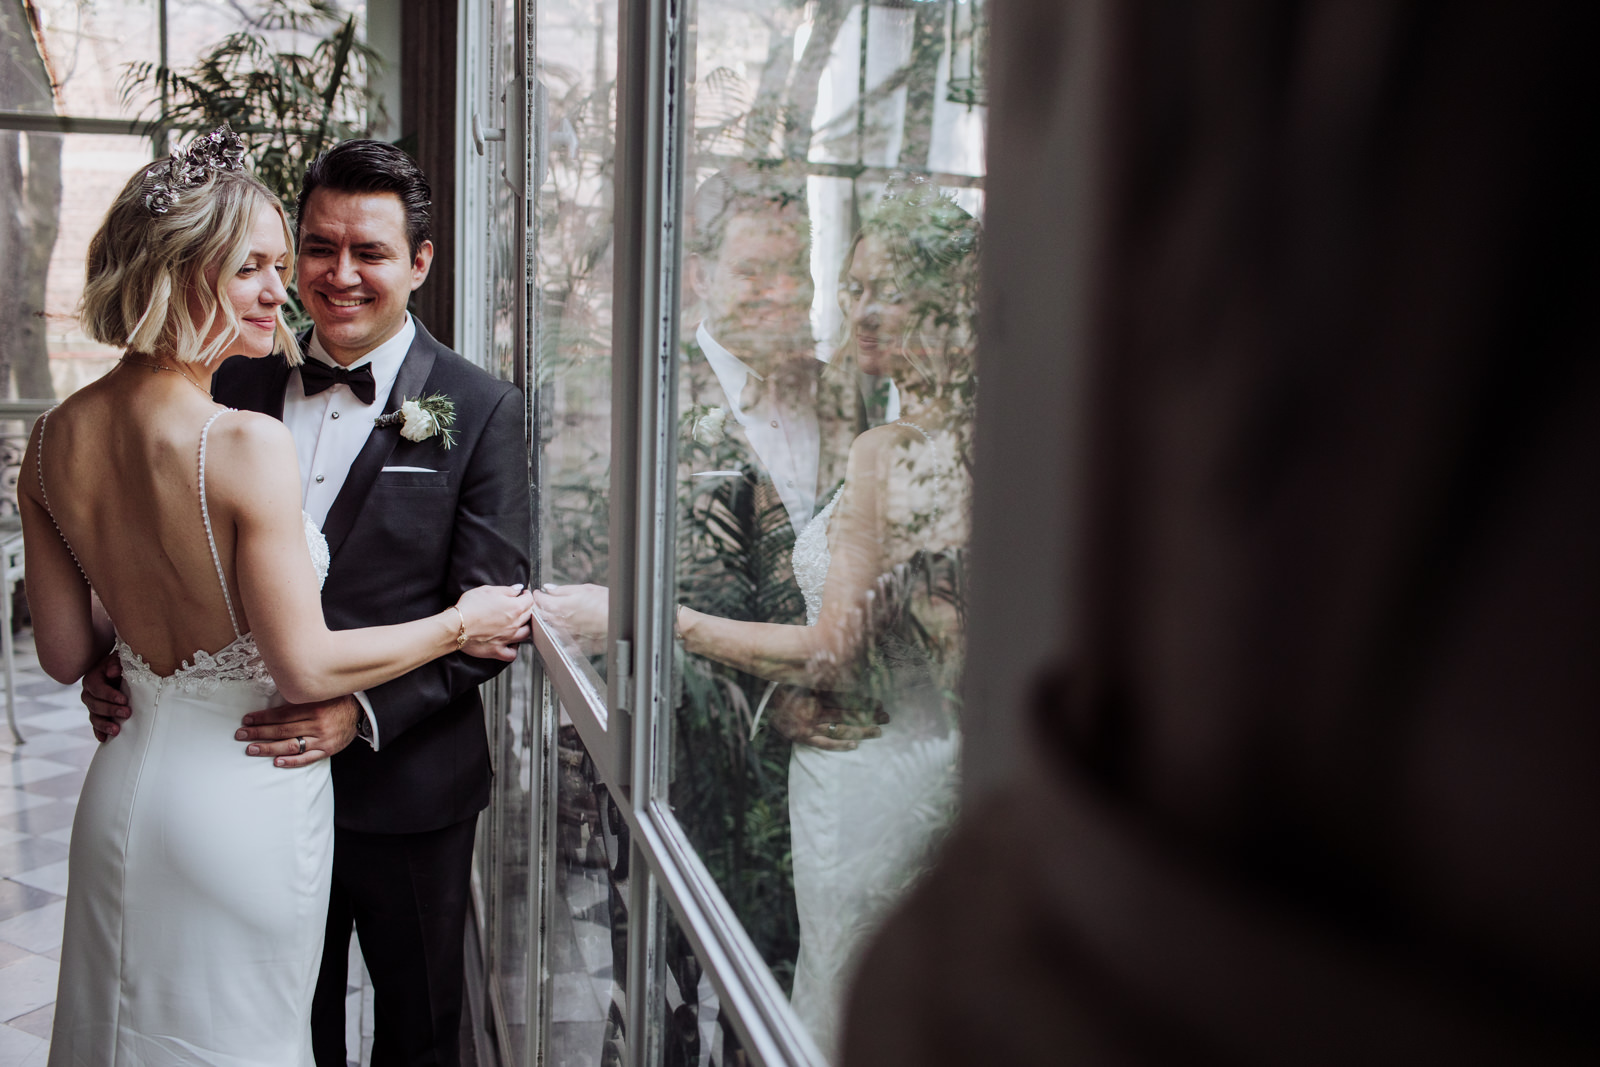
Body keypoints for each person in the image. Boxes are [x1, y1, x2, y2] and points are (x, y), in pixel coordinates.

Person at [25, 127, 533, 1066]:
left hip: (392, 783)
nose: (318, 279)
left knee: (409, 1027)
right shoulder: (237, 386)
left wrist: (360, 712)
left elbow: (60, 645)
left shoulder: (484, 407)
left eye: (369, 252)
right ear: (191, 272)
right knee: (269, 1033)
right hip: (239, 794)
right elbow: (261, 637)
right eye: (298, 253)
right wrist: (129, 656)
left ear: (419, 263)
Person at [539, 176, 978, 1056]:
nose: (788, 294)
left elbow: (913, 601)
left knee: (804, 997)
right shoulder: (626, 397)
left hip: (852, 760)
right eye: (756, 272)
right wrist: (770, 692)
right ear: (700, 274)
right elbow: (595, 558)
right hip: (691, 767)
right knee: (669, 992)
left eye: (797, 272)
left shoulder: (861, 400)